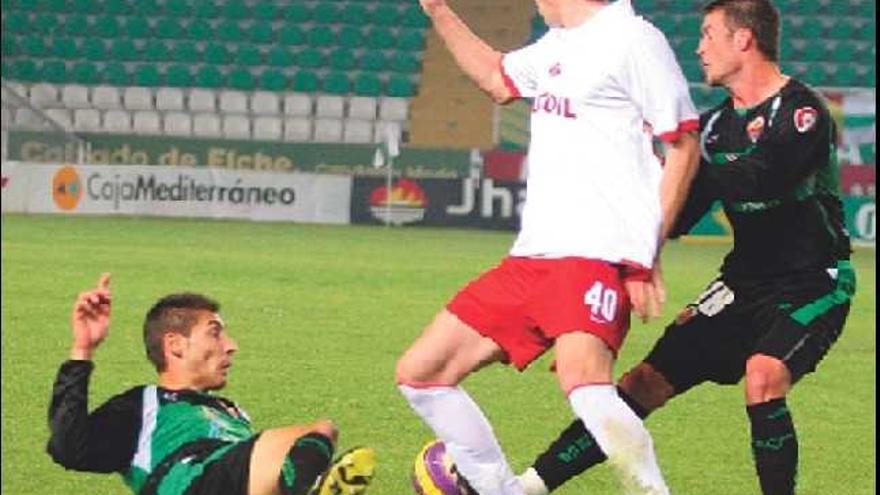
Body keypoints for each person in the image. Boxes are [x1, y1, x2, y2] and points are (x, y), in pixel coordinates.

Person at [510, 1, 856, 495]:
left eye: (708, 34)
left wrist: (678, 161)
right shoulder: (714, 128)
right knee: (641, 384)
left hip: (813, 281)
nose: (698, 48)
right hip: (741, 284)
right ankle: (526, 486)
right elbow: (676, 214)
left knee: (763, 378)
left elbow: (767, 176)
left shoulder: (801, 111)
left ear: (743, 39)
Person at [396, 1, 700, 494]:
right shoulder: (558, 44)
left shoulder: (633, 39)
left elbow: (684, 144)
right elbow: (498, 78)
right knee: (422, 373)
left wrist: (646, 254)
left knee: (586, 386)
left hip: (594, 253)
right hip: (532, 257)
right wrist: (438, 10)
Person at [47, 274, 377, 495]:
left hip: (233, 474)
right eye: (215, 332)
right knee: (316, 433)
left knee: (320, 435)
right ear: (175, 345)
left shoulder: (232, 412)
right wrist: (82, 350)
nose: (231, 345)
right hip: (190, 480)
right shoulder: (143, 404)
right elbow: (68, 447)